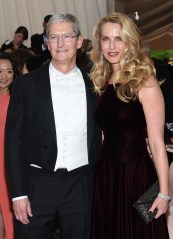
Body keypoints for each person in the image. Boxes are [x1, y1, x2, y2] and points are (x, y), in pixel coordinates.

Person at [5, 12, 102, 239]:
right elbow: (13, 143)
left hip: (81, 184)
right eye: (54, 37)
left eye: (67, 36)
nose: (61, 43)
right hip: (37, 185)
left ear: (79, 41)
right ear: (46, 42)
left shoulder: (96, 85)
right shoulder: (25, 86)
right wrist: (18, 194)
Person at [89, 12, 170, 238]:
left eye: (119, 38)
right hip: (107, 172)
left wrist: (164, 193)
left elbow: (156, 141)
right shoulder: (104, 81)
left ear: (130, 42)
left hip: (134, 174)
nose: (112, 45)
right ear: (100, 43)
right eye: (106, 39)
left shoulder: (145, 82)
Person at [0, 52, 17, 239]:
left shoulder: (17, 100)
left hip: (6, 163)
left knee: (9, 213)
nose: (4, 76)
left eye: (9, 71)